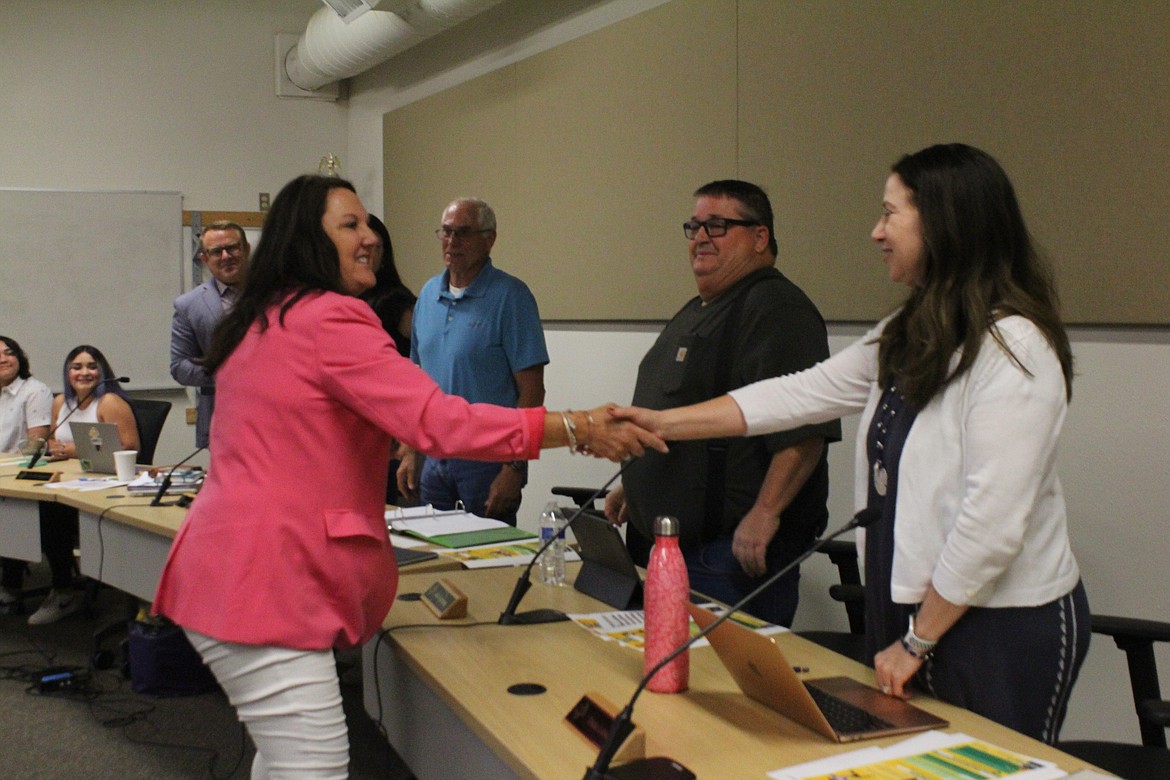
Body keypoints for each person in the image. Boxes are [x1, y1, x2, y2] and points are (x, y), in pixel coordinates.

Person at [150, 174, 664, 779]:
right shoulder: (329, 320)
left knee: (287, 761)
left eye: (368, 223)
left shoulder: (268, 316)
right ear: (307, 242)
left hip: (233, 569)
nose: (371, 237)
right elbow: (437, 421)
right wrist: (576, 426)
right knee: (311, 767)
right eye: (351, 226)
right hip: (267, 581)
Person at [612, 144, 1090, 744]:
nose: (876, 232)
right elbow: (796, 395)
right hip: (915, 612)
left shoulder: (1015, 349)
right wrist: (657, 424)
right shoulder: (912, 329)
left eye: (890, 214)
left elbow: (992, 523)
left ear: (944, 223)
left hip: (996, 627)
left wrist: (920, 638)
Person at [604, 180, 839, 627]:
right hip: (679, 548)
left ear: (760, 237)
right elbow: (683, 411)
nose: (700, 237)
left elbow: (806, 429)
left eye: (717, 225)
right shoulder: (701, 308)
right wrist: (637, 486)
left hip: (729, 555)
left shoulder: (777, 309)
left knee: (726, 691)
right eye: (694, 226)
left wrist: (765, 513)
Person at [398, 198, 548, 524]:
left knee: (491, 567)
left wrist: (515, 468)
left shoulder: (512, 297)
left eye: (463, 233)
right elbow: (418, 380)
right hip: (435, 461)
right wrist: (410, 449)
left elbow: (532, 393)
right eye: (446, 232)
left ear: (489, 238)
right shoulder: (427, 296)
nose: (452, 242)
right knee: (436, 560)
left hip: (489, 462)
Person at [33, 345, 139, 625]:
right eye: (76, 367)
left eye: (91, 366)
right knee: (40, 506)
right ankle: (64, 584)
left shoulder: (110, 403)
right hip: (73, 480)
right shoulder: (60, 403)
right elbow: (56, 442)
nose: (84, 372)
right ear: (67, 373)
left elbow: (129, 446)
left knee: (52, 514)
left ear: (102, 371)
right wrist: (56, 447)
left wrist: (72, 450)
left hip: (109, 483)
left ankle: (64, 589)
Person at [170, 220, 250, 448]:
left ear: (246, 249)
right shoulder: (189, 305)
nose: (226, 256)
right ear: (204, 259)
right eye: (216, 251)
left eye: (233, 248)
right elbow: (179, 366)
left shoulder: (277, 294)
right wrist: (225, 372)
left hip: (280, 415)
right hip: (224, 420)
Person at [360, 214, 417, 504]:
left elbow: (419, 363)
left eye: (375, 246)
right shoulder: (342, 300)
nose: (366, 252)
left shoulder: (397, 300)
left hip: (391, 434)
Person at [0, 336, 53, 609]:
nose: (3, 359)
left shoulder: (35, 391)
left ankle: (10, 584)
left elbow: (36, 445)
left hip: (20, 480)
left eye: (9, 353)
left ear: (19, 358)